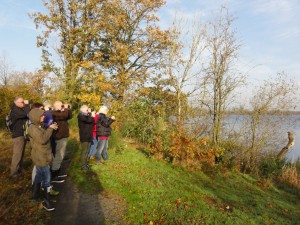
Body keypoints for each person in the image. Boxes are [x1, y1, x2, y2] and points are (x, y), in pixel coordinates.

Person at [28, 108, 58, 211]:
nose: (44, 117)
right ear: (35, 117)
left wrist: (50, 127)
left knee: (38, 176)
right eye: (41, 116)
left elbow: (43, 135)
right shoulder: (32, 128)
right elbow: (42, 139)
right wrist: (50, 129)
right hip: (41, 158)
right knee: (47, 180)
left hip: (42, 156)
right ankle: (46, 201)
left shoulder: (38, 126)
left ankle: (35, 195)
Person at [51, 101, 72, 182]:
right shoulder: (54, 113)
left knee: (59, 155)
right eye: (61, 105)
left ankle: (56, 170)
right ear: (56, 106)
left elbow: (69, 116)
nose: (63, 107)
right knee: (59, 155)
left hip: (62, 136)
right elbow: (65, 115)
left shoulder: (59, 113)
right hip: (59, 137)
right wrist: (66, 108)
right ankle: (54, 174)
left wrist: (67, 108)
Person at [9, 97, 30, 178]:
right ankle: (13, 173)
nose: (24, 104)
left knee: (21, 154)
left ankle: (19, 171)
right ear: (17, 103)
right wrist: (27, 105)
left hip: (22, 134)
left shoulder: (18, 109)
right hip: (18, 135)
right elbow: (26, 113)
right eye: (22, 102)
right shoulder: (15, 110)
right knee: (17, 154)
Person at [77, 105, 95, 170]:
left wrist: (90, 115)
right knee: (84, 151)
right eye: (87, 110)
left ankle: (85, 164)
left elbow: (92, 122)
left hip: (89, 135)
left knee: (87, 151)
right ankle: (82, 165)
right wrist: (90, 114)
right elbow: (89, 121)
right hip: (84, 136)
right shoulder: (80, 116)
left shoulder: (87, 116)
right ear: (83, 110)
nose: (88, 111)